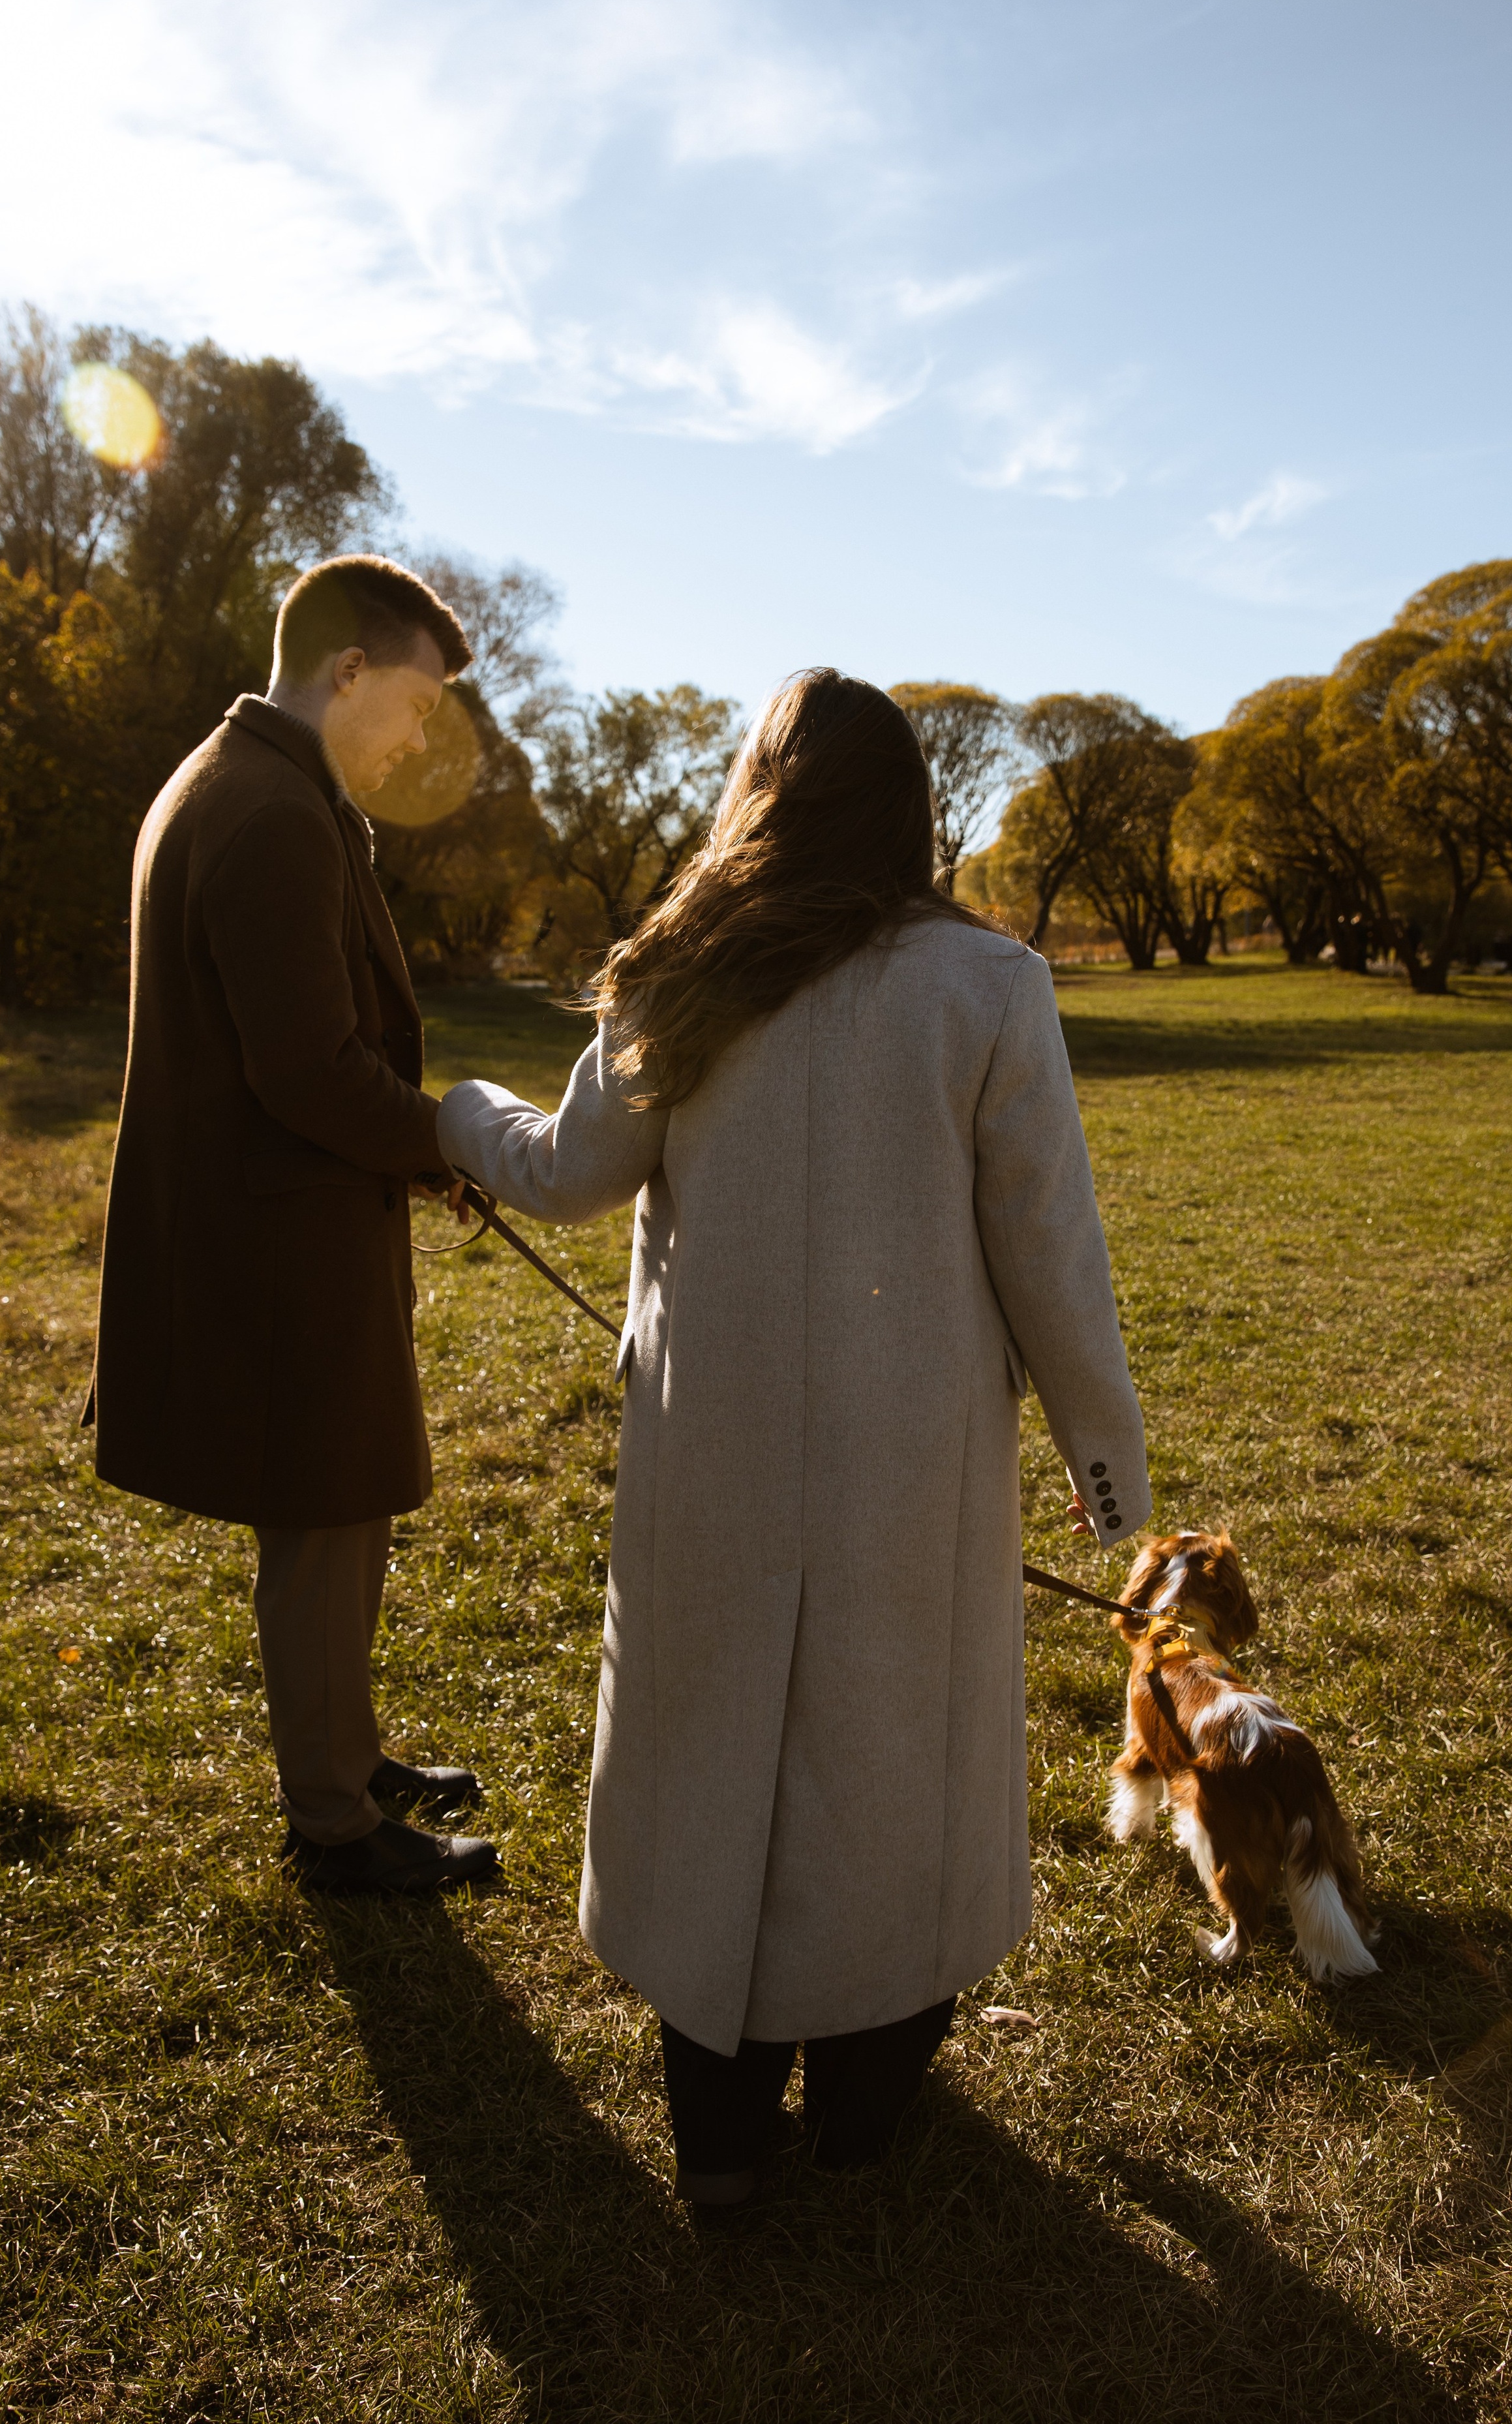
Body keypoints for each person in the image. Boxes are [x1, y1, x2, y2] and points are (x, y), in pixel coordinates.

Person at [436, 668, 1151, 2203]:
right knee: (896, 1764)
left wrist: (456, 1112)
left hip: (717, 1453)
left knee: (708, 1764)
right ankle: (863, 2119)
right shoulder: (988, 984)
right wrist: (1107, 1469)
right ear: (912, 809)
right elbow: (1050, 1253)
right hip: (915, 1465)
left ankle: (721, 2139)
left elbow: (565, 1172)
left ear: (756, 788)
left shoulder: (678, 972)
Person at [88, 555, 500, 1897]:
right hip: (276, 1244)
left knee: (346, 1511)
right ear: (348, 673)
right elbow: (307, 1070)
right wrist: (444, 1138)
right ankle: (333, 1823)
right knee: (324, 1520)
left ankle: (347, 1750)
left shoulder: (248, 778)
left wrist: (413, 1155)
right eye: (421, 701)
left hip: (287, 1222)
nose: (422, 732)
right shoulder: (267, 809)